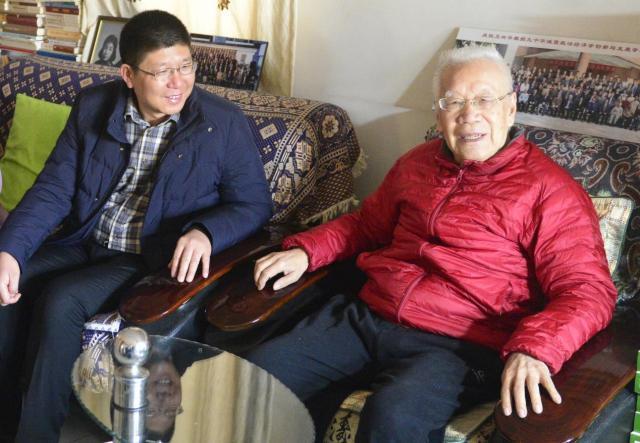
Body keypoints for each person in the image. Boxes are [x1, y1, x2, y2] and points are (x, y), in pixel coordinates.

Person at [245, 45, 616, 442]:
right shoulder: (416, 164)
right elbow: (366, 226)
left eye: (484, 100)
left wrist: (535, 348)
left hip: (458, 345)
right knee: (258, 377)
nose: (469, 115)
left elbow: (587, 291)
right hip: (368, 317)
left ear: (511, 108)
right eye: (453, 102)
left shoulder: (550, 191)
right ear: (439, 114)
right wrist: (306, 251)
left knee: (395, 416)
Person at [0, 9, 271, 442]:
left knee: (62, 299)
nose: (178, 82)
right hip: (84, 238)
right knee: (6, 287)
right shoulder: (94, 106)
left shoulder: (221, 123)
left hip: (145, 257)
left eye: (186, 66)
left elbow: (254, 205)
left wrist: (205, 231)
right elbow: (54, 188)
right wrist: (10, 250)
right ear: (128, 74)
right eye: (162, 72)